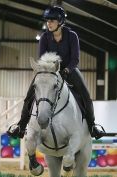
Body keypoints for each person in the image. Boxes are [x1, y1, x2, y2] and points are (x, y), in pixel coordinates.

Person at [7, 6, 105, 140]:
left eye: (52, 20)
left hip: (69, 69)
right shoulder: (44, 37)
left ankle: (92, 126)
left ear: (60, 22)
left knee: (85, 95)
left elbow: (75, 59)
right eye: (47, 21)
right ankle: (21, 126)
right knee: (29, 95)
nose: (49, 23)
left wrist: (66, 70)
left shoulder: (72, 36)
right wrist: (48, 70)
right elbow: (42, 59)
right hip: (48, 71)